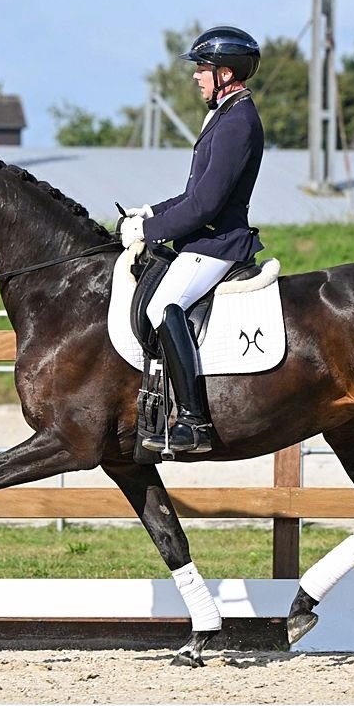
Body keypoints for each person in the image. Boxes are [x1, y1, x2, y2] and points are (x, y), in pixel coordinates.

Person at [120, 25, 264, 454]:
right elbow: (192, 194)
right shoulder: (223, 114)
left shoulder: (238, 121)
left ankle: (193, 421)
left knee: (164, 308)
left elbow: (206, 205)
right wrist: (151, 213)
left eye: (202, 67)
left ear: (225, 72)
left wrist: (148, 233)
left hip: (218, 243)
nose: (196, 75)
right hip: (203, 240)